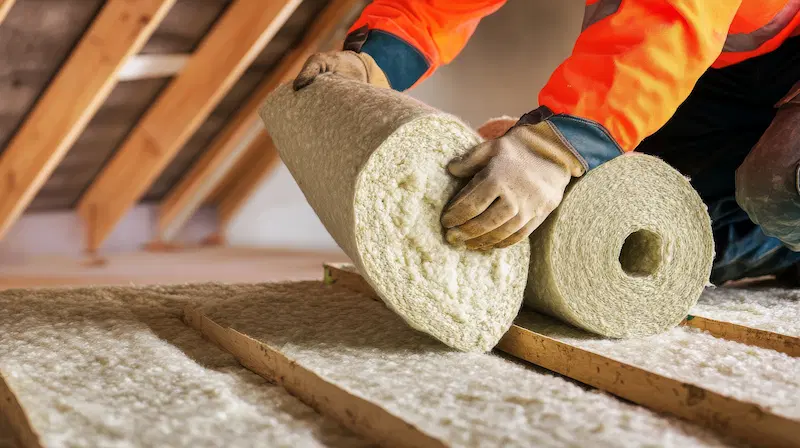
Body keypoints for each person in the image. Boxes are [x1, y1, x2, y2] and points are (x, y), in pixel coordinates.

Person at [293, 0, 800, 285]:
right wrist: (377, 58)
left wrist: (552, 148)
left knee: (778, 187)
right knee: (670, 235)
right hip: (728, 70)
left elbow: (668, 17)